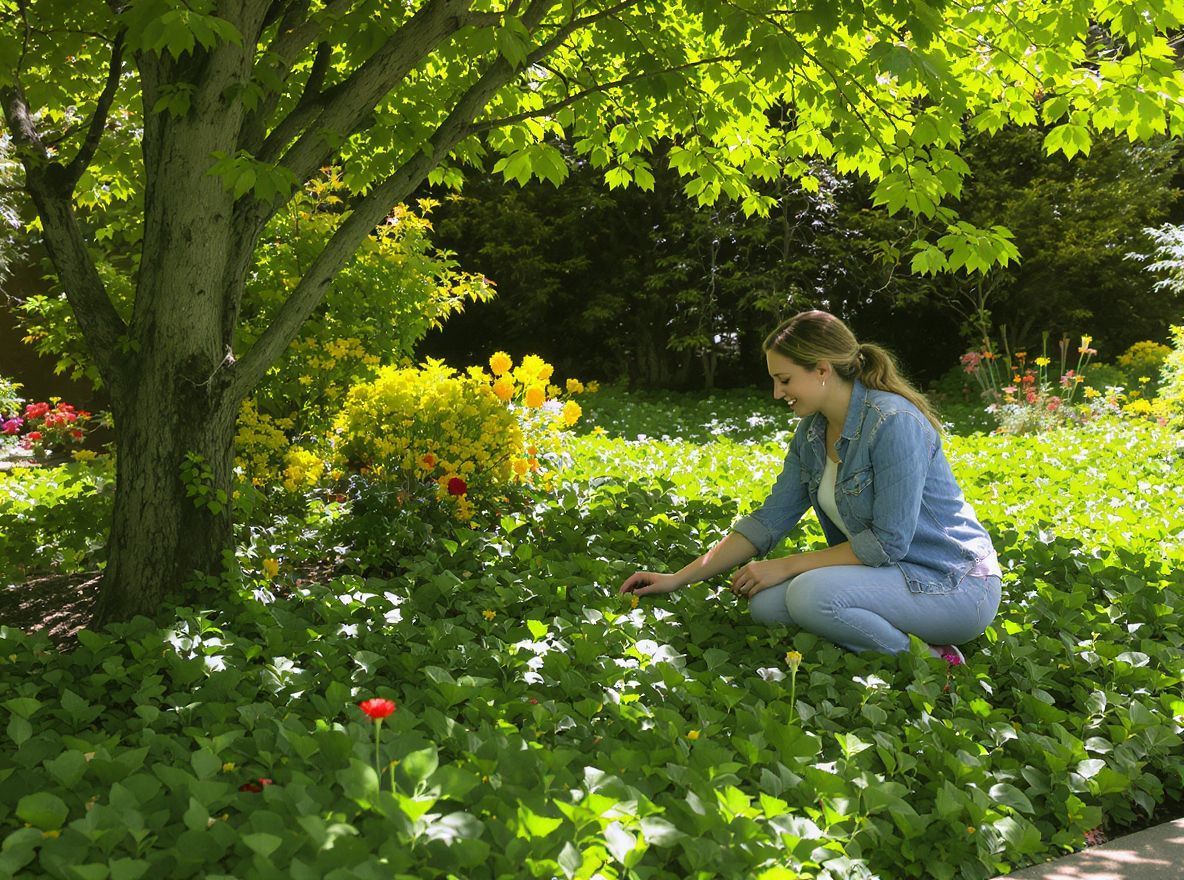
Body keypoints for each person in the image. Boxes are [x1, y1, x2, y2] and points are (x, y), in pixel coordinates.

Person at [618, 309, 1002, 662]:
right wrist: (677, 578)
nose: (777, 393)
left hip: (954, 585)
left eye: (784, 380)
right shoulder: (812, 434)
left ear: (821, 369)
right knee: (766, 604)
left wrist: (787, 565)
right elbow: (768, 520)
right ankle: (893, 633)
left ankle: (933, 661)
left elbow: (887, 543)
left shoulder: (893, 422)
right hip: (891, 578)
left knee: (808, 593)